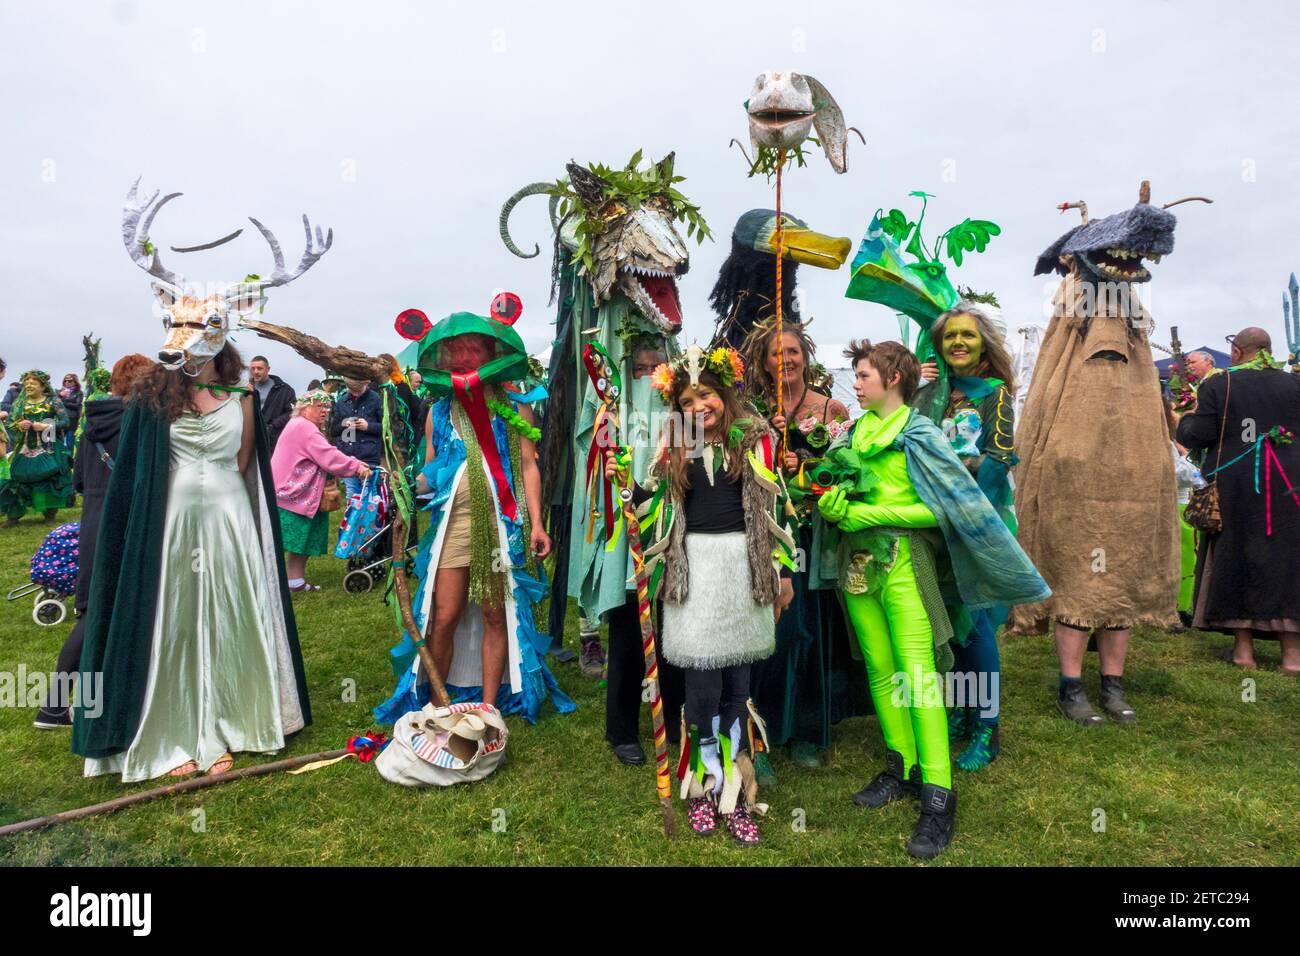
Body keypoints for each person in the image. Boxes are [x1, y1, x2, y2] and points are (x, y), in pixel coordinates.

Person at [818, 340, 1048, 859]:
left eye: (862, 376)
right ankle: (902, 766)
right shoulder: (852, 432)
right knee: (878, 667)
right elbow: (838, 490)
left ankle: (939, 796)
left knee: (917, 674)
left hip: (903, 563)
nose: (854, 384)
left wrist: (875, 516)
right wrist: (834, 506)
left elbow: (951, 507)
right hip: (857, 568)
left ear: (894, 378)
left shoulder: (918, 433)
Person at [72, 340, 312, 781]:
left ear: (221, 347)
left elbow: (243, 462)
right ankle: (172, 728)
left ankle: (237, 716)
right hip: (174, 518)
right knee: (174, 614)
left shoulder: (242, 398)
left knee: (234, 612)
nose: (196, 353)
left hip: (229, 515)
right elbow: (144, 468)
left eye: (206, 341)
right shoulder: (156, 401)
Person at [609, 344, 795, 845]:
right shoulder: (675, 450)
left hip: (744, 573)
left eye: (707, 396)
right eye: (688, 401)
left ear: (724, 395)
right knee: (701, 690)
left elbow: (776, 510)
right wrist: (625, 484)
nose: (699, 408)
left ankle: (736, 787)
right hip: (693, 576)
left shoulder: (754, 443)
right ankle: (705, 785)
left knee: (738, 688)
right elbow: (654, 503)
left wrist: (782, 572)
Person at [374, 311, 574, 724]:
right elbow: (430, 472)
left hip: (502, 526)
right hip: (453, 529)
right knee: (442, 616)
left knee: (494, 613)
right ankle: (438, 700)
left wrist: (536, 523)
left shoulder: (514, 408)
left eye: (473, 351)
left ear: (489, 355)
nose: (465, 360)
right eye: (457, 353)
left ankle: (487, 707)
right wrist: (406, 483)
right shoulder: (439, 414)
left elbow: (528, 465)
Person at [739, 316, 867, 779]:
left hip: (817, 536)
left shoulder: (832, 410)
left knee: (814, 634)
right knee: (777, 634)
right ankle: (765, 737)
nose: (785, 359)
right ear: (764, 363)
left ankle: (810, 732)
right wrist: (766, 441)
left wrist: (806, 465)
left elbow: (850, 471)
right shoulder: (752, 410)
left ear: (805, 357)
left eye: (792, 351)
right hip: (773, 535)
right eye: (777, 353)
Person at [913, 304, 1018, 772]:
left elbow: (998, 456)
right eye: (950, 336)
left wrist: (968, 503)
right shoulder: (933, 393)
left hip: (977, 519)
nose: (958, 343)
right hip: (934, 521)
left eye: (968, 336)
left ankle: (987, 728)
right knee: (950, 620)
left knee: (976, 625)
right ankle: (960, 708)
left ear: (983, 344)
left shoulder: (995, 394)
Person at [34, 354, 154, 729]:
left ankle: (60, 704)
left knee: (92, 609)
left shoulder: (92, 421)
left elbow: (80, 482)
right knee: (109, 609)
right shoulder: (141, 422)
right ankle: (58, 705)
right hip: (125, 520)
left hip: (93, 520)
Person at [1177, 327, 1300, 673]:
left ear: (1236, 353)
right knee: (1287, 560)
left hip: (1234, 485)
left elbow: (1198, 434)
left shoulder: (1221, 383)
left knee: (1236, 556)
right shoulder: (1295, 384)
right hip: (1290, 486)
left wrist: (1182, 422)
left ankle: (1243, 653)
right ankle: (1293, 657)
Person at [601, 340, 686, 765]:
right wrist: (617, 481)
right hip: (627, 540)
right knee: (629, 632)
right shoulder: (612, 413)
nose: (648, 375)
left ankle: (670, 715)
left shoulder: (682, 415)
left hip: (672, 536)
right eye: (640, 367)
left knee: (672, 629)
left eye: (657, 367)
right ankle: (621, 729)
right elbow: (600, 465)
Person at [271, 390, 373, 592]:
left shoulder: (301, 425)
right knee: (291, 541)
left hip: (293, 494)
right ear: (304, 408)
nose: (324, 411)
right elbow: (328, 456)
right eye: (319, 406)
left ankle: (295, 582)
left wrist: (353, 462)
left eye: (326, 407)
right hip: (292, 495)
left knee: (300, 542)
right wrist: (356, 468)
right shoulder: (304, 427)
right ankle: (274, 581)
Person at [0, 370, 74, 525]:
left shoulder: (53, 401)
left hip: (49, 445)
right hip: (24, 446)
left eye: (33, 382)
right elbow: (9, 423)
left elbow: (66, 422)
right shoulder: (20, 403)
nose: (29, 385)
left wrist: (46, 425)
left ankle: (49, 513)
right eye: (26, 382)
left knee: (48, 477)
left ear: (43, 386)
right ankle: (14, 515)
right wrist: (19, 425)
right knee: (18, 477)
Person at [330, 376, 383, 498]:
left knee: (369, 495)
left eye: (359, 389)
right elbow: (334, 431)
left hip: (369, 456)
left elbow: (387, 428)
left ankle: (371, 517)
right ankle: (352, 517)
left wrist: (368, 426)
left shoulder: (376, 399)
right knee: (351, 494)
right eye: (352, 389)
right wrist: (344, 424)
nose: (356, 393)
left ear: (365, 384)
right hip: (349, 457)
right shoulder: (342, 402)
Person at [249, 355, 296, 450]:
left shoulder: (285, 390)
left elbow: (292, 412)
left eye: (259, 368)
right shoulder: (246, 388)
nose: (256, 372)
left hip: (272, 440)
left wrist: (272, 426)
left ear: (268, 369)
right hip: (249, 437)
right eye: (253, 369)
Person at [58, 373, 83, 452]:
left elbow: (77, 405)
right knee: (59, 441)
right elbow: (55, 402)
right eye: (65, 381)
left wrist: (64, 402)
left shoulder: (78, 393)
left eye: (70, 381)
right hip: (61, 419)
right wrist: (60, 396)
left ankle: (70, 461)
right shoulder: (61, 392)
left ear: (75, 382)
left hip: (72, 419)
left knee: (70, 442)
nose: (67, 382)